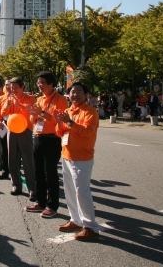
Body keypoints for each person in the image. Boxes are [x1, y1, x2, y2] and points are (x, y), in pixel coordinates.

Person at [54, 82, 102, 241]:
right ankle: (75, 220)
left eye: (79, 92)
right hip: (67, 155)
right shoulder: (68, 111)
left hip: (82, 158)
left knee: (82, 192)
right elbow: (59, 132)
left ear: (86, 94)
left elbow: (87, 132)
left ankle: (90, 227)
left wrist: (69, 122)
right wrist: (59, 122)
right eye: (72, 92)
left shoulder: (90, 111)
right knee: (70, 191)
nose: (75, 95)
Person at [25, 71, 69, 218]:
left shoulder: (61, 100)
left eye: (42, 82)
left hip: (52, 139)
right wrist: (34, 114)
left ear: (51, 84)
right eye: (38, 82)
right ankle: (40, 202)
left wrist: (41, 113)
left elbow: (59, 122)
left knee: (50, 173)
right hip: (38, 137)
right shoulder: (40, 99)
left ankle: (52, 205)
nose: (39, 85)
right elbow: (33, 119)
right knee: (38, 172)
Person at [0, 77, 36, 200]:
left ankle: (32, 188)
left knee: (27, 160)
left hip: (25, 130)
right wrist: (7, 106)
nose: (13, 90)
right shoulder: (9, 98)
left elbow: (32, 111)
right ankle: (16, 185)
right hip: (12, 130)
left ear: (22, 87)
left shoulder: (30, 98)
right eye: (11, 87)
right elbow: (3, 113)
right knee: (12, 159)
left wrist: (20, 105)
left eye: (16, 87)